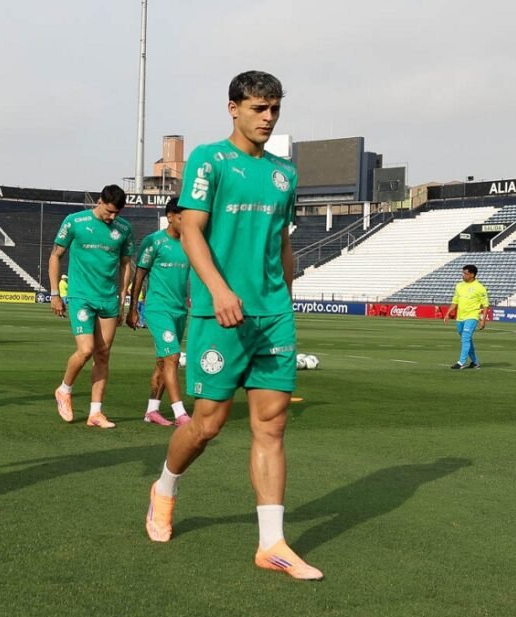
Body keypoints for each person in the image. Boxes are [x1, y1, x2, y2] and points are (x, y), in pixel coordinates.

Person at [143, 71, 323, 581]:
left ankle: (272, 544)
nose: (268, 118)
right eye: (259, 108)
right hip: (218, 314)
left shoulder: (285, 173)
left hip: (272, 317)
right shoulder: (208, 159)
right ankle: (165, 488)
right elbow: (192, 231)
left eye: (274, 109)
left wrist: (284, 299)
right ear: (233, 108)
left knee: (272, 426)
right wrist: (219, 291)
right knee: (207, 425)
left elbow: (281, 243)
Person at [48, 185, 134, 429]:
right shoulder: (75, 221)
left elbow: (126, 264)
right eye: (109, 211)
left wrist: (122, 297)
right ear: (99, 201)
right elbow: (55, 255)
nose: (113, 217)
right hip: (81, 296)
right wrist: (55, 293)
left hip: (109, 299)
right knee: (86, 350)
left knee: (103, 355)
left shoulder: (124, 229)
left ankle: (95, 413)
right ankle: (64, 390)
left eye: (117, 213)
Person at [127, 197, 191, 427]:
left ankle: (152, 411)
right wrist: (133, 308)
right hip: (157, 308)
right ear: (171, 216)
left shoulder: (190, 243)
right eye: (182, 217)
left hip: (179, 310)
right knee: (173, 357)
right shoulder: (154, 242)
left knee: (164, 363)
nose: (186, 221)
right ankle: (180, 413)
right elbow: (140, 275)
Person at [443, 264, 489, 369]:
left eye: (465, 273)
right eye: (463, 273)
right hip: (460, 317)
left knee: (466, 337)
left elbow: (485, 305)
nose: (463, 275)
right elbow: (455, 301)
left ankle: (461, 362)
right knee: (467, 339)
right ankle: (475, 362)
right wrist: (447, 313)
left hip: (472, 316)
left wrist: (483, 320)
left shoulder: (480, 288)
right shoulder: (459, 286)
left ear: (472, 274)